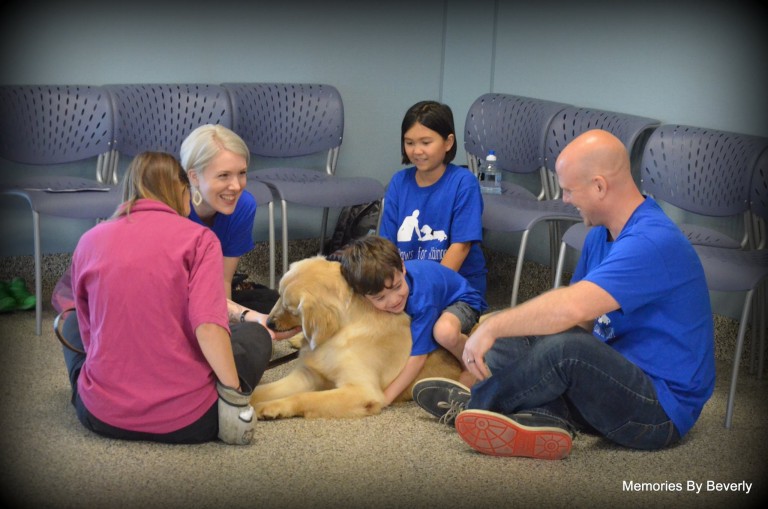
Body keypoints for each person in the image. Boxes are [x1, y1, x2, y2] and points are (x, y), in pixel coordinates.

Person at [412, 129, 715, 460]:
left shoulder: (652, 242)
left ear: (599, 186)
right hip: (609, 381)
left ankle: (476, 405)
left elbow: (572, 309)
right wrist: (504, 330)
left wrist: (490, 328)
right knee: (518, 332)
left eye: (570, 190)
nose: (565, 199)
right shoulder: (602, 234)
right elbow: (583, 321)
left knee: (563, 349)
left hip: (657, 414)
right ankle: (545, 419)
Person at [59, 152, 289, 444]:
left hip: (100, 416)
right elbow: (208, 327)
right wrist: (234, 397)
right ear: (182, 192)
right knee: (255, 336)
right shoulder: (200, 239)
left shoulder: (90, 239)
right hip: (189, 423)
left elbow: (89, 328)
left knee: (70, 325)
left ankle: (100, 391)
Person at [335, 235, 487, 405]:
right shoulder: (375, 290)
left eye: (397, 287)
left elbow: (418, 359)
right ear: (363, 296)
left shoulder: (423, 300)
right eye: (380, 298)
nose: (393, 300)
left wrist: (385, 398)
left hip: (463, 301)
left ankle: (469, 364)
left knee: (444, 332)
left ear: (402, 267)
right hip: (433, 301)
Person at [379, 100, 487, 299]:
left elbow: (461, 247)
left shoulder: (464, 183)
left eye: (426, 143)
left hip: (452, 285)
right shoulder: (399, 182)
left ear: (448, 142)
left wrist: (426, 290)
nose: (416, 151)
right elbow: (387, 246)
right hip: (406, 285)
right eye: (409, 143)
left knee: (440, 329)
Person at [180, 124, 278, 331]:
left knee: (271, 303)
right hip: (170, 295)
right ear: (194, 177)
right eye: (223, 175)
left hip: (206, 291)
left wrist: (224, 330)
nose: (236, 186)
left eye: (241, 173)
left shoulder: (244, 205)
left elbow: (222, 280)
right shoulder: (173, 208)